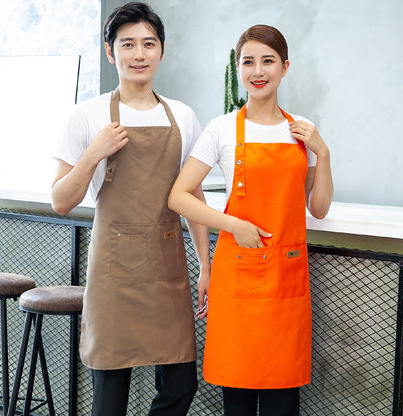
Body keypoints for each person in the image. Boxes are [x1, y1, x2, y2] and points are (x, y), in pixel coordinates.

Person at [51, 2, 211, 415]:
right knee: (109, 393)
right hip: (114, 273)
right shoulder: (86, 116)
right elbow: (61, 201)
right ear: (111, 52)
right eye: (128, 45)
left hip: (167, 267)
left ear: (161, 50)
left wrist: (205, 266)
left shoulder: (183, 116)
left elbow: (193, 200)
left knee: (181, 385)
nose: (139, 54)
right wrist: (94, 153)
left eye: (148, 44)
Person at [168, 24, 334, 416]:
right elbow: (178, 196)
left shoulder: (302, 131)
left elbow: (320, 208)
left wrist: (322, 153)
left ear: (284, 67)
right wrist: (233, 225)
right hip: (237, 278)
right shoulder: (222, 129)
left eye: (268, 61)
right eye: (248, 62)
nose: (257, 71)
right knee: (237, 401)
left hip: (287, 278)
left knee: (282, 401)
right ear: (238, 68)